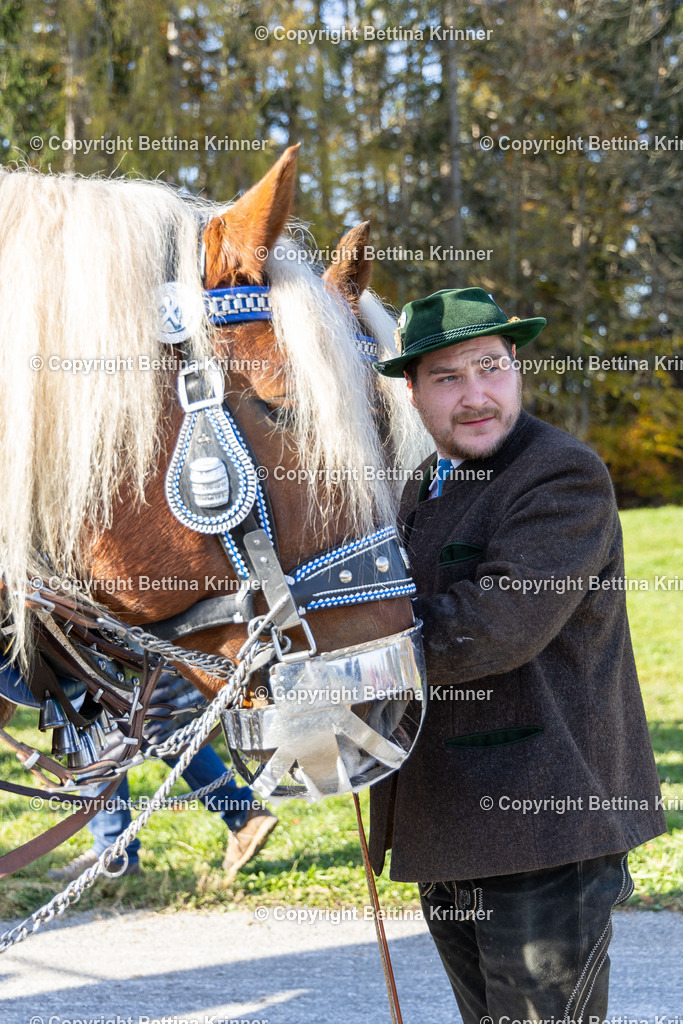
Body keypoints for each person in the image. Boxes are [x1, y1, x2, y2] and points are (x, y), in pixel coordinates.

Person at [371, 287, 666, 1023]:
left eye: (491, 367)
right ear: (412, 392)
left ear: (515, 369)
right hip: (445, 822)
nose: (475, 395)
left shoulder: (560, 474)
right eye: (447, 376)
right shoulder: (420, 485)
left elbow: (496, 625)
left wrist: (347, 658)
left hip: (543, 826)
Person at [47, 673, 277, 883]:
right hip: (149, 664)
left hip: (120, 663)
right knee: (168, 730)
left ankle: (114, 852)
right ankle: (242, 812)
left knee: (95, 739)